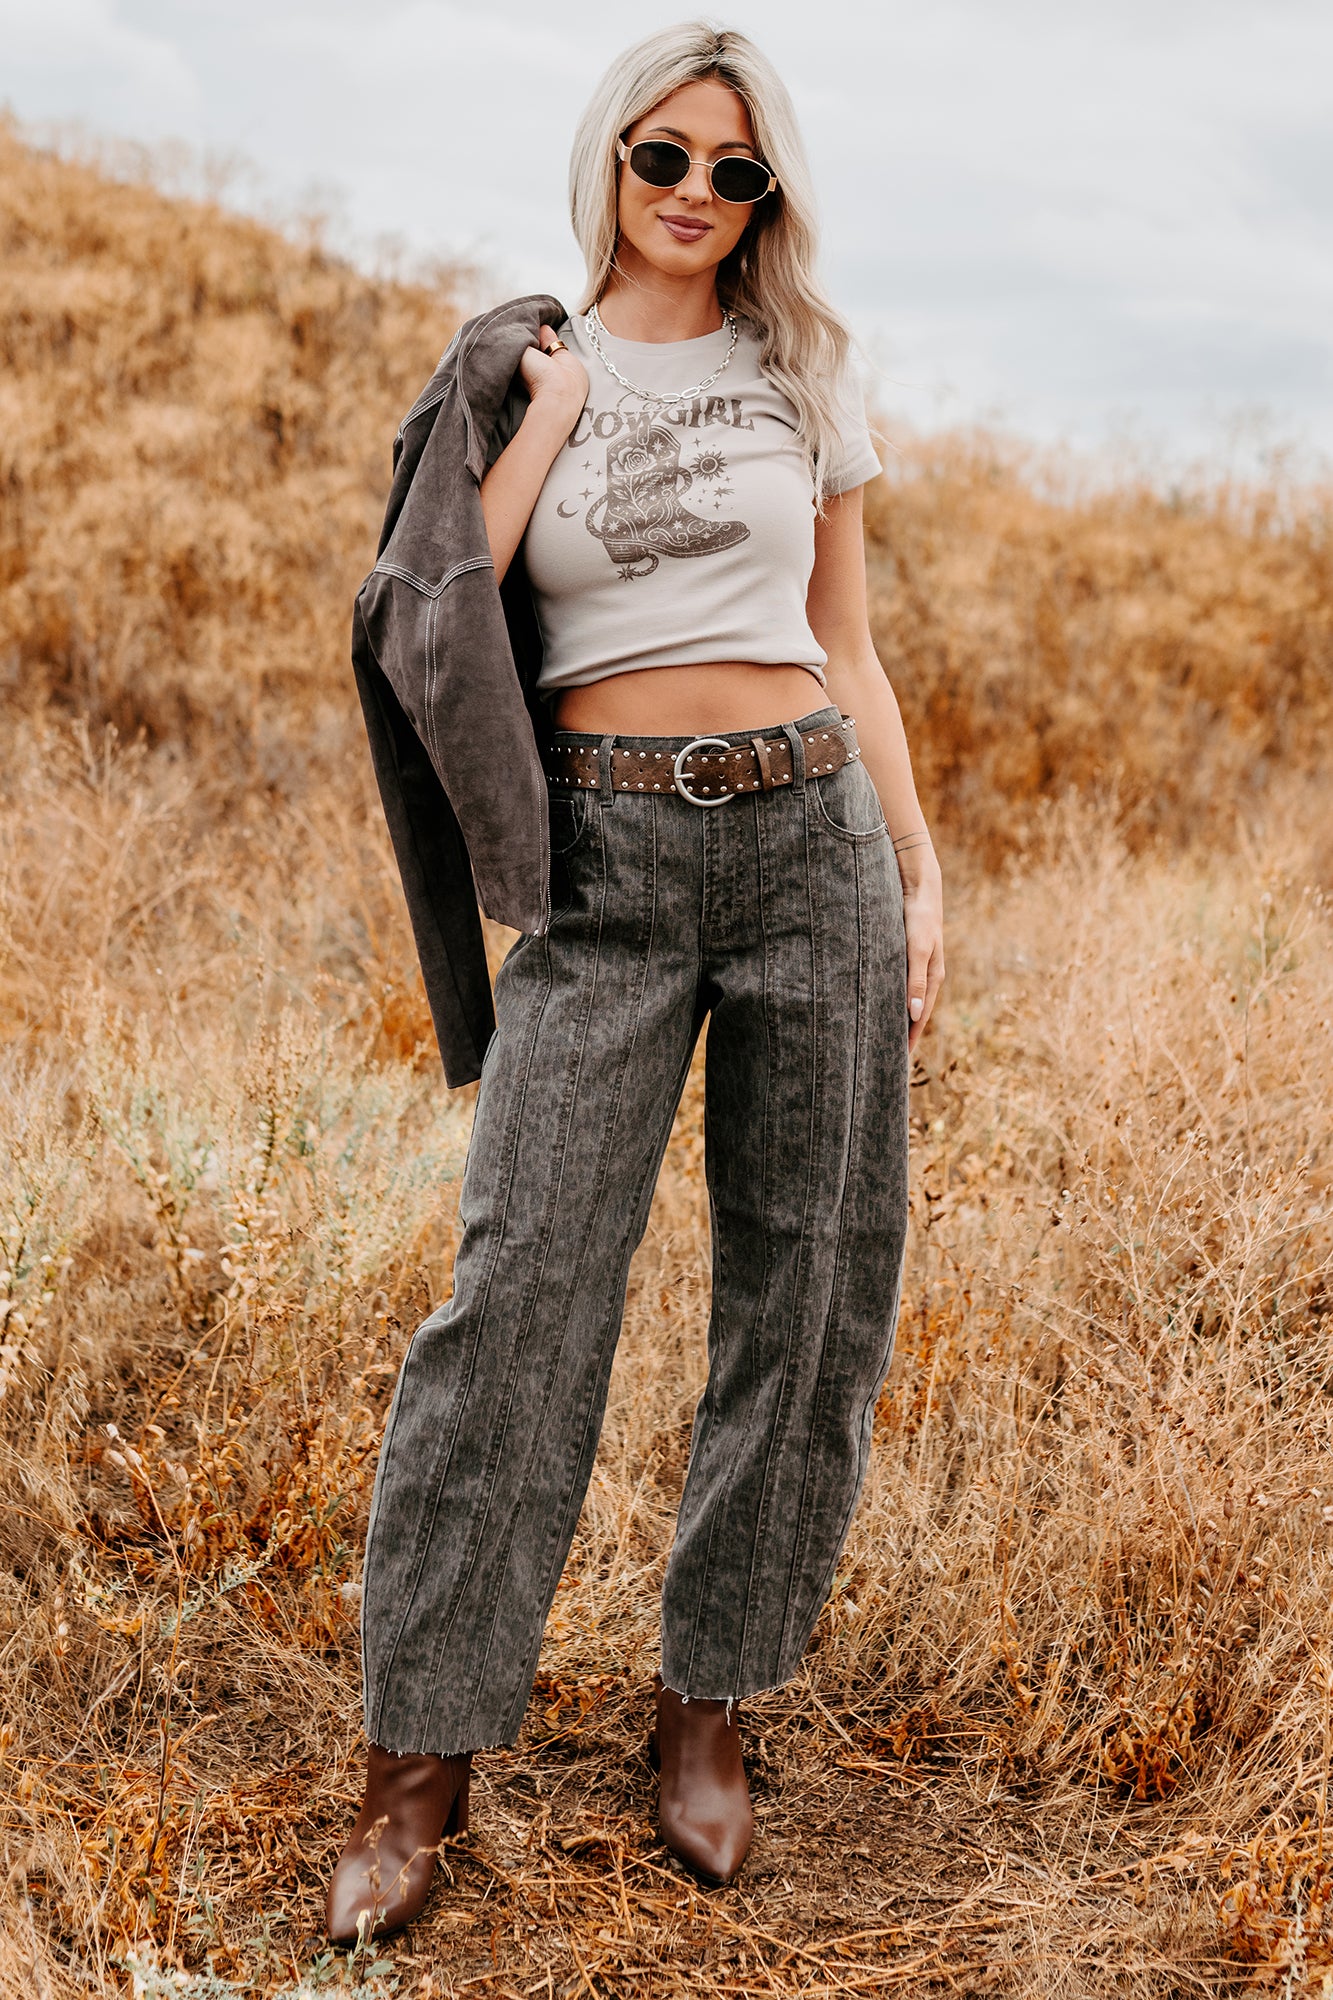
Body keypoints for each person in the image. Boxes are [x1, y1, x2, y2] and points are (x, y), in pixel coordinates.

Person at [328, 19, 944, 1944]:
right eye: (661, 156)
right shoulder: (521, 365)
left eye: (732, 172)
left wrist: (918, 867)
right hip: (603, 859)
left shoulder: (805, 372)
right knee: (518, 1292)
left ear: (767, 198)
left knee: (810, 1283)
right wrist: (551, 412)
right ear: (610, 157)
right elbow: (446, 601)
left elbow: (846, 641)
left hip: (809, 838)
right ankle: (417, 1761)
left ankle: (709, 1701)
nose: (692, 193)